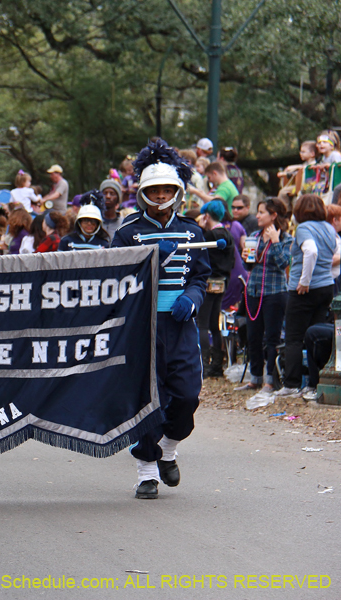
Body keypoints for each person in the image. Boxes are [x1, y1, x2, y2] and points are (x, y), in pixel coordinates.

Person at [111, 139, 211, 500]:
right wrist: (151, 255)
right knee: (147, 399)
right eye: (154, 191)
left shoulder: (193, 231)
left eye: (167, 189)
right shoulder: (127, 233)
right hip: (143, 327)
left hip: (181, 325)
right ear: (143, 194)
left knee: (187, 396)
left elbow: (201, 276)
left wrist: (191, 298)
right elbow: (113, 278)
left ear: (178, 192)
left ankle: (169, 446)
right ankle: (146, 472)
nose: (161, 196)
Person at [273, 194, 340, 398]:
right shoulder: (329, 227)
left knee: (294, 337)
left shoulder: (303, 228)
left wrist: (305, 280)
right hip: (326, 287)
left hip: (304, 290)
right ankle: (314, 382)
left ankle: (291, 384)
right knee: (315, 336)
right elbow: (334, 251)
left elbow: (311, 251)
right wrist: (326, 275)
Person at [239, 198, 293, 398]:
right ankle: (255, 377)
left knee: (272, 337)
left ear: (273, 215)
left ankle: (270, 379)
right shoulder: (254, 236)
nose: (257, 216)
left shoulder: (286, 238)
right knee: (253, 336)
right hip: (254, 291)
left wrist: (275, 242)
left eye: (262, 212)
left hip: (275, 292)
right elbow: (248, 265)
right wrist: (246, 258)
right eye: (258, 212)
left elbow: (283, 263)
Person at [196, 201, 234, 378]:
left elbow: (200, 254)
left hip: (208, 281)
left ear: (206, 216)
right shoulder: (228, 234)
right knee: (214, 324)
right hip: (222, 281)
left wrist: (201, 229)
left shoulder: (209, 235)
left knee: (202, 324)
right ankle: (217, 365)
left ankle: (203, 364)